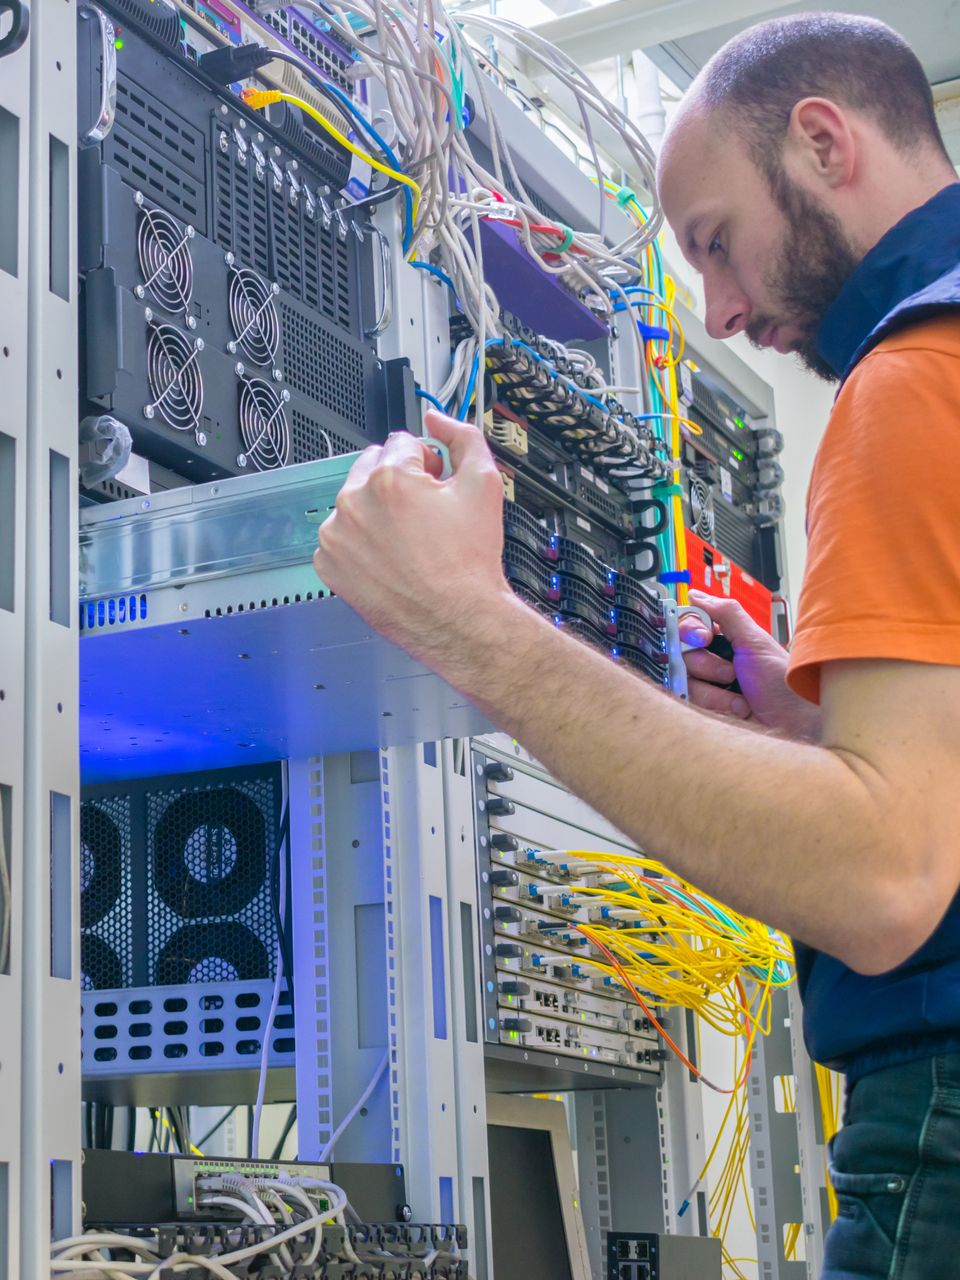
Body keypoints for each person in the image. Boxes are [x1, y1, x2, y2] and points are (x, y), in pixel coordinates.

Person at [314, 13, 960, 1277]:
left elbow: (887, 882)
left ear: (824, 143)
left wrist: (474, 624)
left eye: (717, 243)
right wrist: (820, 734)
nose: (717, 310)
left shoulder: (914, 380)